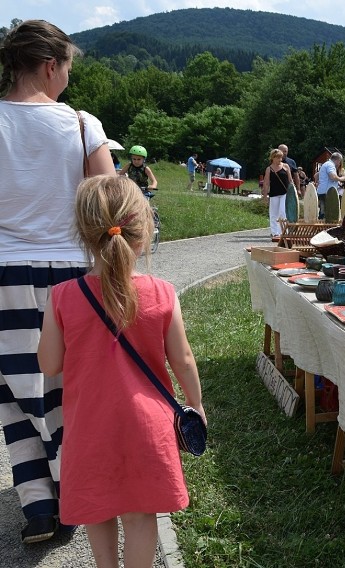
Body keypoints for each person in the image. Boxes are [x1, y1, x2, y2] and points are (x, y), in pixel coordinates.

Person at [37, 174, 206, 568]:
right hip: (148, 427)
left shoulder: (62, 296)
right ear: (144, 230)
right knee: (140, 515)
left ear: (83, 232)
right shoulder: (162, 292)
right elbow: (182, 359)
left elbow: (49, 365)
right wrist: (196, 403)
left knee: (98, 510)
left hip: (90, 426)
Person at [0, 19, 116, 544]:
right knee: (71, 392)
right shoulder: (81, 126)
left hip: (3, 274)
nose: (67, 76)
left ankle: (39, 510)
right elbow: (110, 205)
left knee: (14, 395)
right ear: (51, 65)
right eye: (67, 66)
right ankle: (75, 495)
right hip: (72, 275)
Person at [261, 148, 294, 238]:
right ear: (273, 158)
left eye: (281, 157)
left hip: (285, 192)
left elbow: (290, 180)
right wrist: (265, 196)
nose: (280, 159)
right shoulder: (269, 169)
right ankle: (274, 232)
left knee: (282, 212)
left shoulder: (286, 166)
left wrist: (293, 192)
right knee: (273, 213)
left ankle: (282, 231)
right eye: (278, 158)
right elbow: (266, 183)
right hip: (274, 193)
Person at [316, 152, 345, 218]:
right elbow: (332, 177)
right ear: (338, 160)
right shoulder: (330, 165)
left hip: (323, 191)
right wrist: (343, 178)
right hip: (327, 192)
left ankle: (320, 227)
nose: (339, 164)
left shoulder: (326, 164)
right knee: (326, 213)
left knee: (323, 212)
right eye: (340, 162)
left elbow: (316, 175)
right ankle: (323, 227)